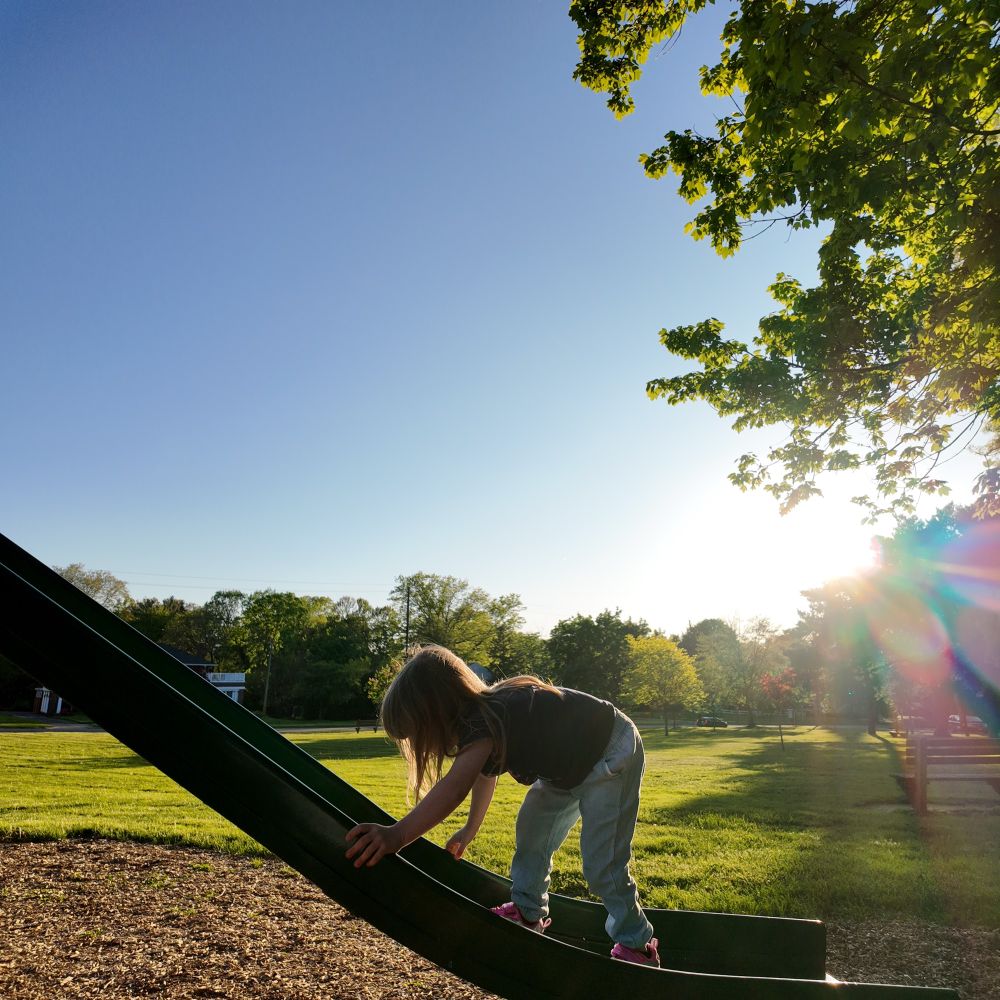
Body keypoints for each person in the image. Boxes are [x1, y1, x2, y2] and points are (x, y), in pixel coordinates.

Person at [345, 645, 659, 966]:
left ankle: (637, 943)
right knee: (532, 834)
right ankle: (528, 913)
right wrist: (470, 828)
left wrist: (397, 836)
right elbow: (484, 776)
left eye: (419, 734)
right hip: (566, 769)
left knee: (602, 862)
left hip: (610, 749)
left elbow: (454, 788)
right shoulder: (484, 723)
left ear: (437, 713)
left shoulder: (488, 716)